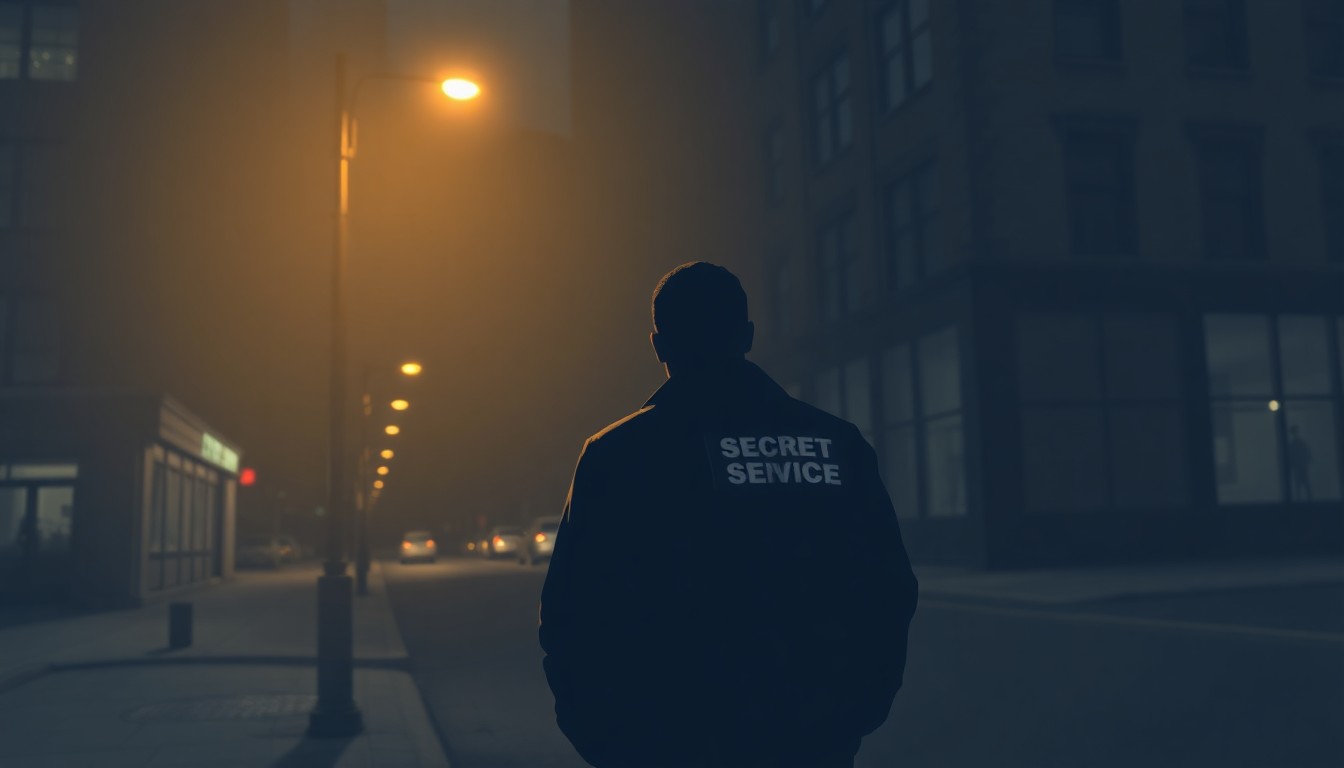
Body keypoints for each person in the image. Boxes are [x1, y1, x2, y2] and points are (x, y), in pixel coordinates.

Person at [539, 262, 919, 768]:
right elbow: (885, 589)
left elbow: (574, 612)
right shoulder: (833, 444)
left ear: (659, 345)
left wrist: (607, 738)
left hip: (664, 739)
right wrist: (851, 714)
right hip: (808, 738)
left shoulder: (619, 454)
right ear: (747, 336)